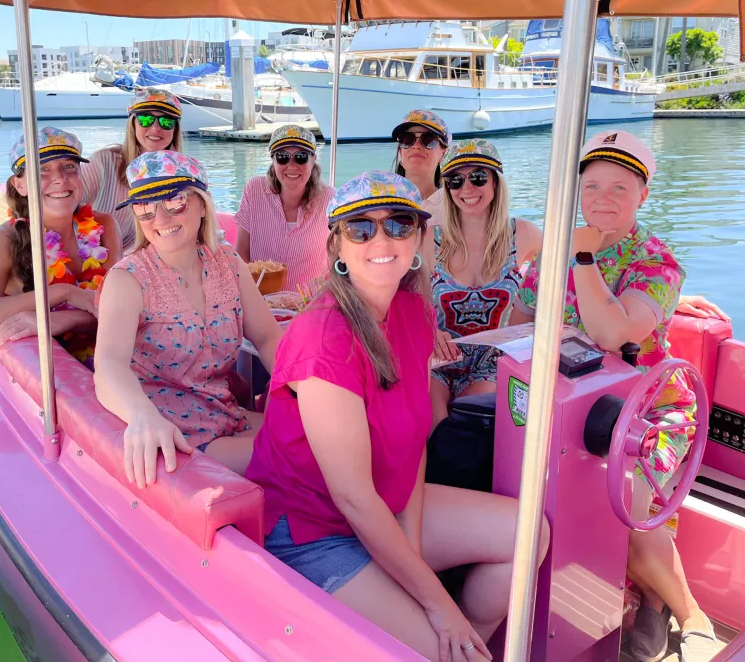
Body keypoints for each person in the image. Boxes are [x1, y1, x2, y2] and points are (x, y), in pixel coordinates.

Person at [246, 171, 548, 662]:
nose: (381, 240)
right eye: (360, 228)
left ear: (420, 237)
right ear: (337, 246)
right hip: (312, 531)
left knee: (530, 532)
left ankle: (467, 637)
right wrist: (434, 600)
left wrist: (411, 555)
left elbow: (413, 445)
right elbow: (352, 498)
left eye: (399, 224)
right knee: (446, 644)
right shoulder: (323, 338)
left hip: (385, 505)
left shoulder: (412, 311)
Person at [511, 130, 718, 662]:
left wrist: (582, 258)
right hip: (568, 409)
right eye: (592, 186)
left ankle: (689, 614)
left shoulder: (656, 263)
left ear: (642, 195)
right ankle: (645, 602)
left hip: (648, 415)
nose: (603, 198)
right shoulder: (553, 252)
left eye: (619, 188)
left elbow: (613, 332)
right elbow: (520, 318)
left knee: (620, 509)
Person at [94, 150, 281, 484]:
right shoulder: (127, 279)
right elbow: (109, 363)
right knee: (304, 455)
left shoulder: (228, 262)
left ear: (202, 204)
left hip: (225, 413)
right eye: (145, 206)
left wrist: (302, 391)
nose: (160, 218)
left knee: (325, 435)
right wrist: (141, 415)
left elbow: (268, 338)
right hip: (176, 435)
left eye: (175, 201)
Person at [0, 128, 122, 367]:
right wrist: (63, 293)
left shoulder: (105, 226)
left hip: (115, 357)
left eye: (69, 166)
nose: (60, 178)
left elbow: (121, 310)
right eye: (42, 170)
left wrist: (65, 320)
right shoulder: (4, 241)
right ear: (20, 185)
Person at [428, 139, 541, 428]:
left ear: (495, 182)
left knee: (471, 423)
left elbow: (560, 281)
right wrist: (428, 328)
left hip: (494, 363)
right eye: (455, 180)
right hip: (437, 359)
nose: (466, 188)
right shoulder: (429, 239)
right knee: (434, 426)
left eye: (477, 177)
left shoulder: (524, 234)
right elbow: (405, 299)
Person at [81, 88, 184, 249]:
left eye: (166, 121)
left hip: (148, 261)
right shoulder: (103, 162)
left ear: (175, 130)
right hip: (94, 259)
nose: (155, 128)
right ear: (133, 124)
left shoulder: (183, 174)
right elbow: (66, 207)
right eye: (145, 119)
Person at [235, 125, 334, 290]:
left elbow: (338, 258)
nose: (292, 165)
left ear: (313, 160)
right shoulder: (254, 190)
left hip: (310, 300)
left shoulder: (330, 199)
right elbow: (241, 252)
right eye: (282, 157)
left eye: (301, 157)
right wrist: (250, 297)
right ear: (273, 161)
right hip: (259, 296)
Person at [391, 109, 450, 225]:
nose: (416, 146)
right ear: (400, 152)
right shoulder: (380, 201)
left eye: (428, 140)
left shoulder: (454, 206)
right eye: (407, 139)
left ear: (443, 154)